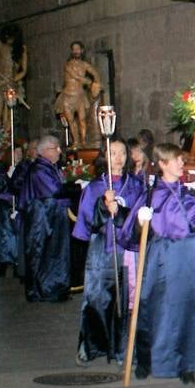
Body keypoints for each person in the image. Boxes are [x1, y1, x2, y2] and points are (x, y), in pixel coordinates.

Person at [119, 144, 195, 383]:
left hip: (192, 255)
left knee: (192, 308)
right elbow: (131, 234)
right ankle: (155, 360)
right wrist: (140, 221)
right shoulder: (152, 194)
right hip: (165, 258)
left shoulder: (190, 191)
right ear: (162, 164)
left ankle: (189, 362)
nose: (182, 164)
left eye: (182, 159)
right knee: (162, 308)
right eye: (176, 160)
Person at [72, 137, 144, 365]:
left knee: (125, 299)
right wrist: (103, 207)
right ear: (105, 155)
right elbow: (86, 219)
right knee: (97, 298)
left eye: (122, 153)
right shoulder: (95, 186)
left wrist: (121, 211)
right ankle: (92, 347)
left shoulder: (135, 185)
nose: (119, 158)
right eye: (113, 153)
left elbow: (142, 215)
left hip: (127, 248)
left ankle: (124, 350)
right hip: (102, 248)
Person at [18, 135, 79, 303]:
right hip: (42, 218)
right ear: (45, 151)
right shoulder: (39, 169)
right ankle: (40, 290)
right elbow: (53, 190)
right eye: (55, 148)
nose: (59, 151)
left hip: (53, 216)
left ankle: (55, 287)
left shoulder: (50, 167)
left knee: (56, 253)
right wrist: (75, 187)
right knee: (42, 252)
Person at [53, 41, 102, 147]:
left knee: (82, 119)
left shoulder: (85, 65)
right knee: (70, 120)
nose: (76, 51)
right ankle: (76, 141)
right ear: (71, 51)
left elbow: (94, 72)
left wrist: (97, 82)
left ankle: (83, 141)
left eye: (78, 49)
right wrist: (90, 82)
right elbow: (77, 77)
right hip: (67, 95)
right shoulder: (68, 65)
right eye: (74, 49)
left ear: (82, 51)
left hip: (79, 95)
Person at [0, 145, 28, 278]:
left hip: (18, 204)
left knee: (18, 234)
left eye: (20, 152)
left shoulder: (24, 168)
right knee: (5, 236)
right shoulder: (1, 168)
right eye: (15, 152)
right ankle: (4, 262)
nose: (18, 155)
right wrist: (7, 176)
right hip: (5, 206)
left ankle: (17, 263)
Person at [0, 23, 29, 108]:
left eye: (11, 38)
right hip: (0, 82)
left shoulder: (22, 48)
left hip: (12, 83)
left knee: (9, 112)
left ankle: (8, 120)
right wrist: (3, 77)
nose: (9, 40)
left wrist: (14, 79)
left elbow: (24, 70)